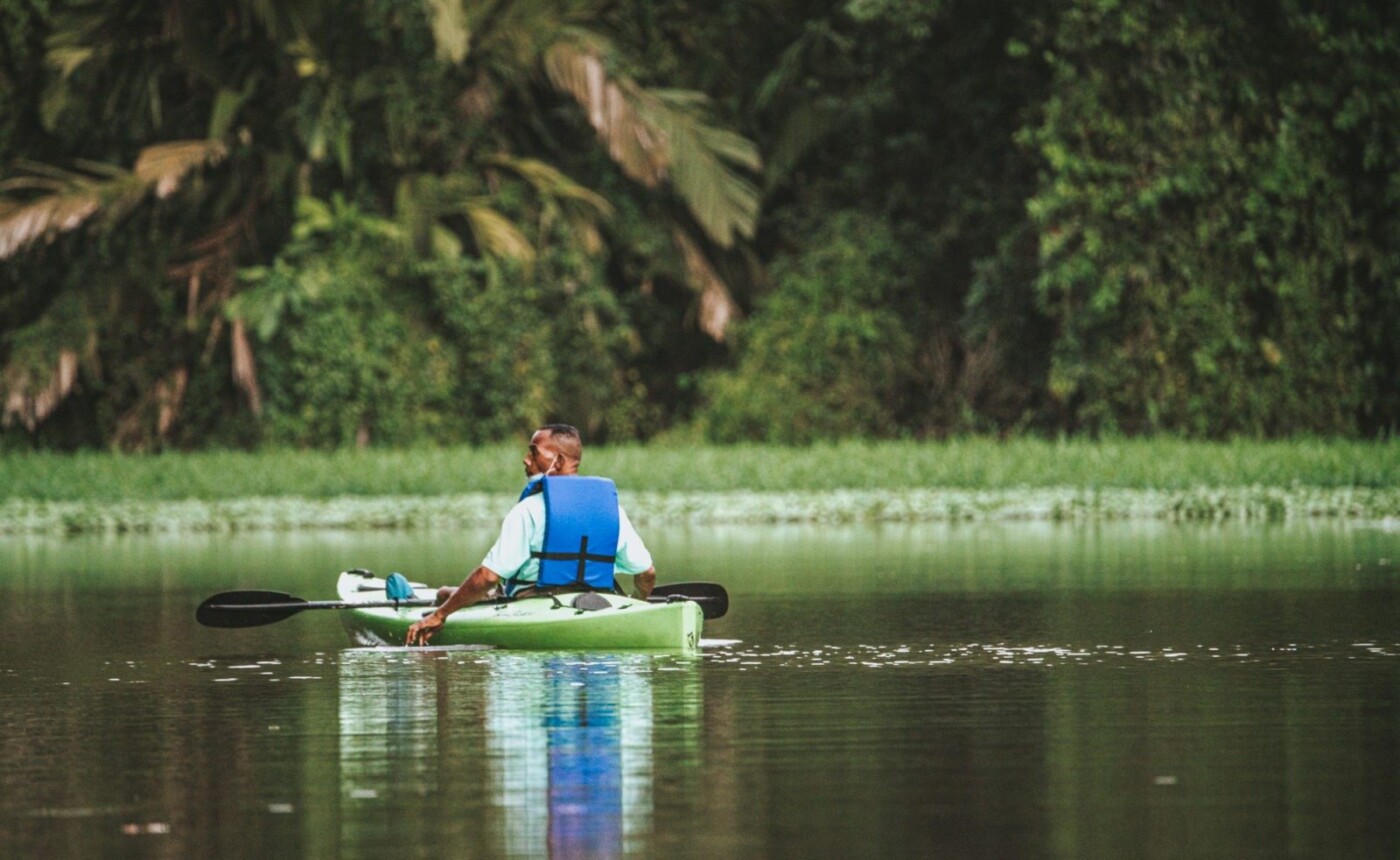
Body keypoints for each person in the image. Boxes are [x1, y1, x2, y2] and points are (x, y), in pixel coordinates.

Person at [406, 424, 656, 646]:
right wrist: (635, 606)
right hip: (601, 601)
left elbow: (488, 576)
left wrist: (440, 616)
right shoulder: (612, 511)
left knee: (479, 594)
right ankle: (444, 594)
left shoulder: (528, 509)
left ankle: (443, 599)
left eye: (533, 452)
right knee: (457, 594)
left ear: (557, 461)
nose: (526, 460)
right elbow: (647, 574)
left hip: (532, 602)